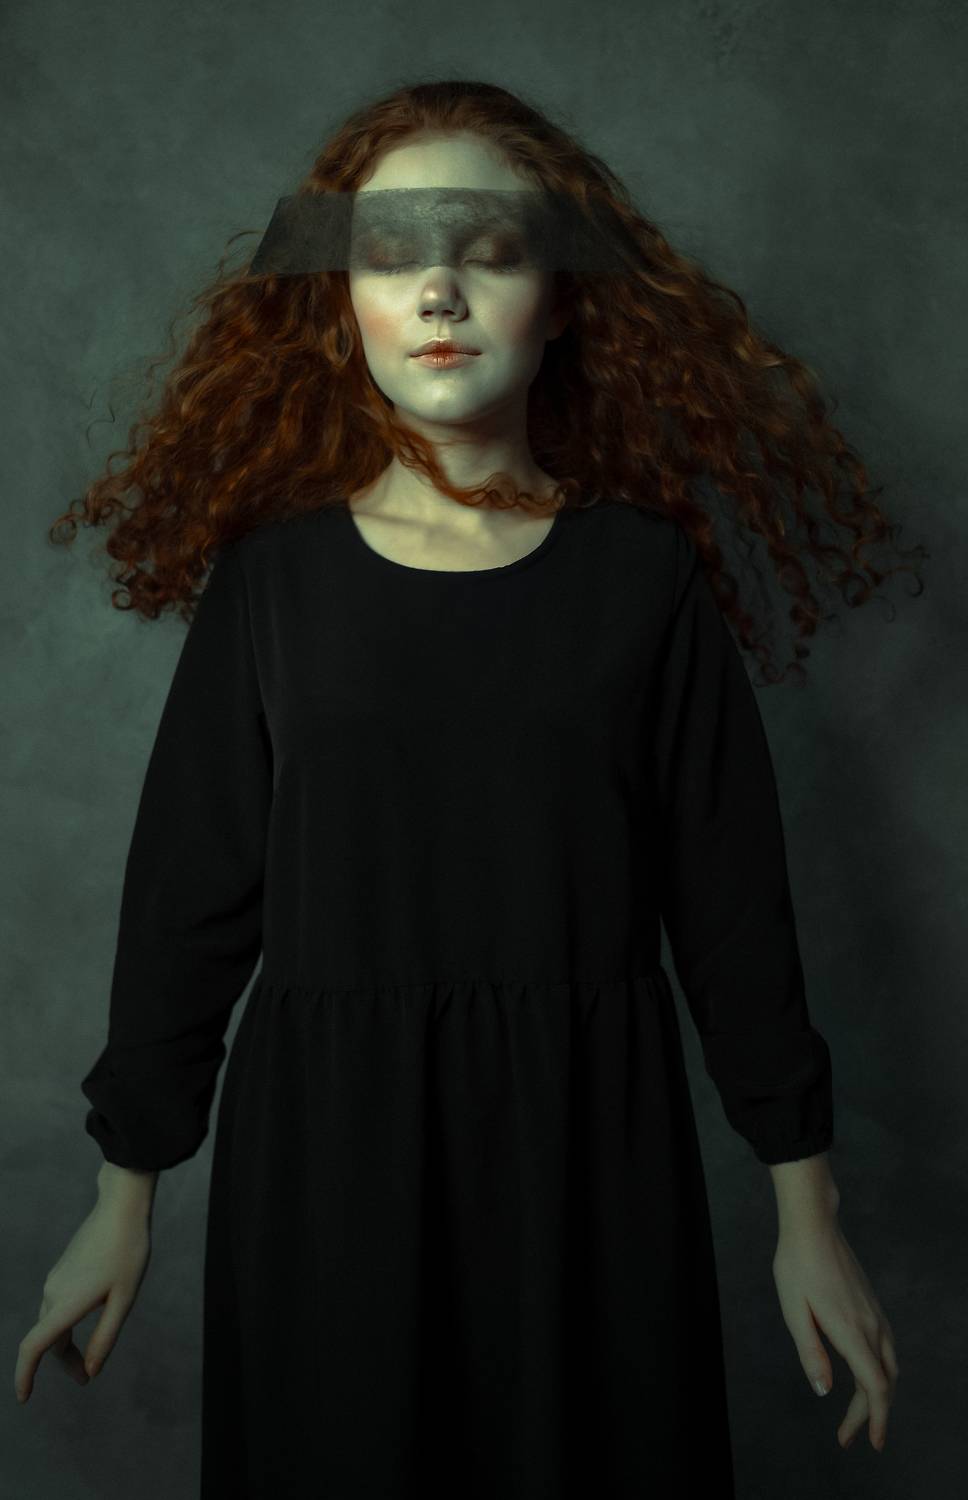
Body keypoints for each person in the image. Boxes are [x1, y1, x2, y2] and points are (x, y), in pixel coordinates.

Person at [21, 78, 914, 1497]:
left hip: (590, 1166)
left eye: (489, 250)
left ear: (561, 303)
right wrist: (120, 1197)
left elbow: (735, 915)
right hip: (326, 1168)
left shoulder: (644, 579)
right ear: (343, 310)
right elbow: (186, 903)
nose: (438, 289)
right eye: (390, 255)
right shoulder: (273, 585)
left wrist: (808, 1216)